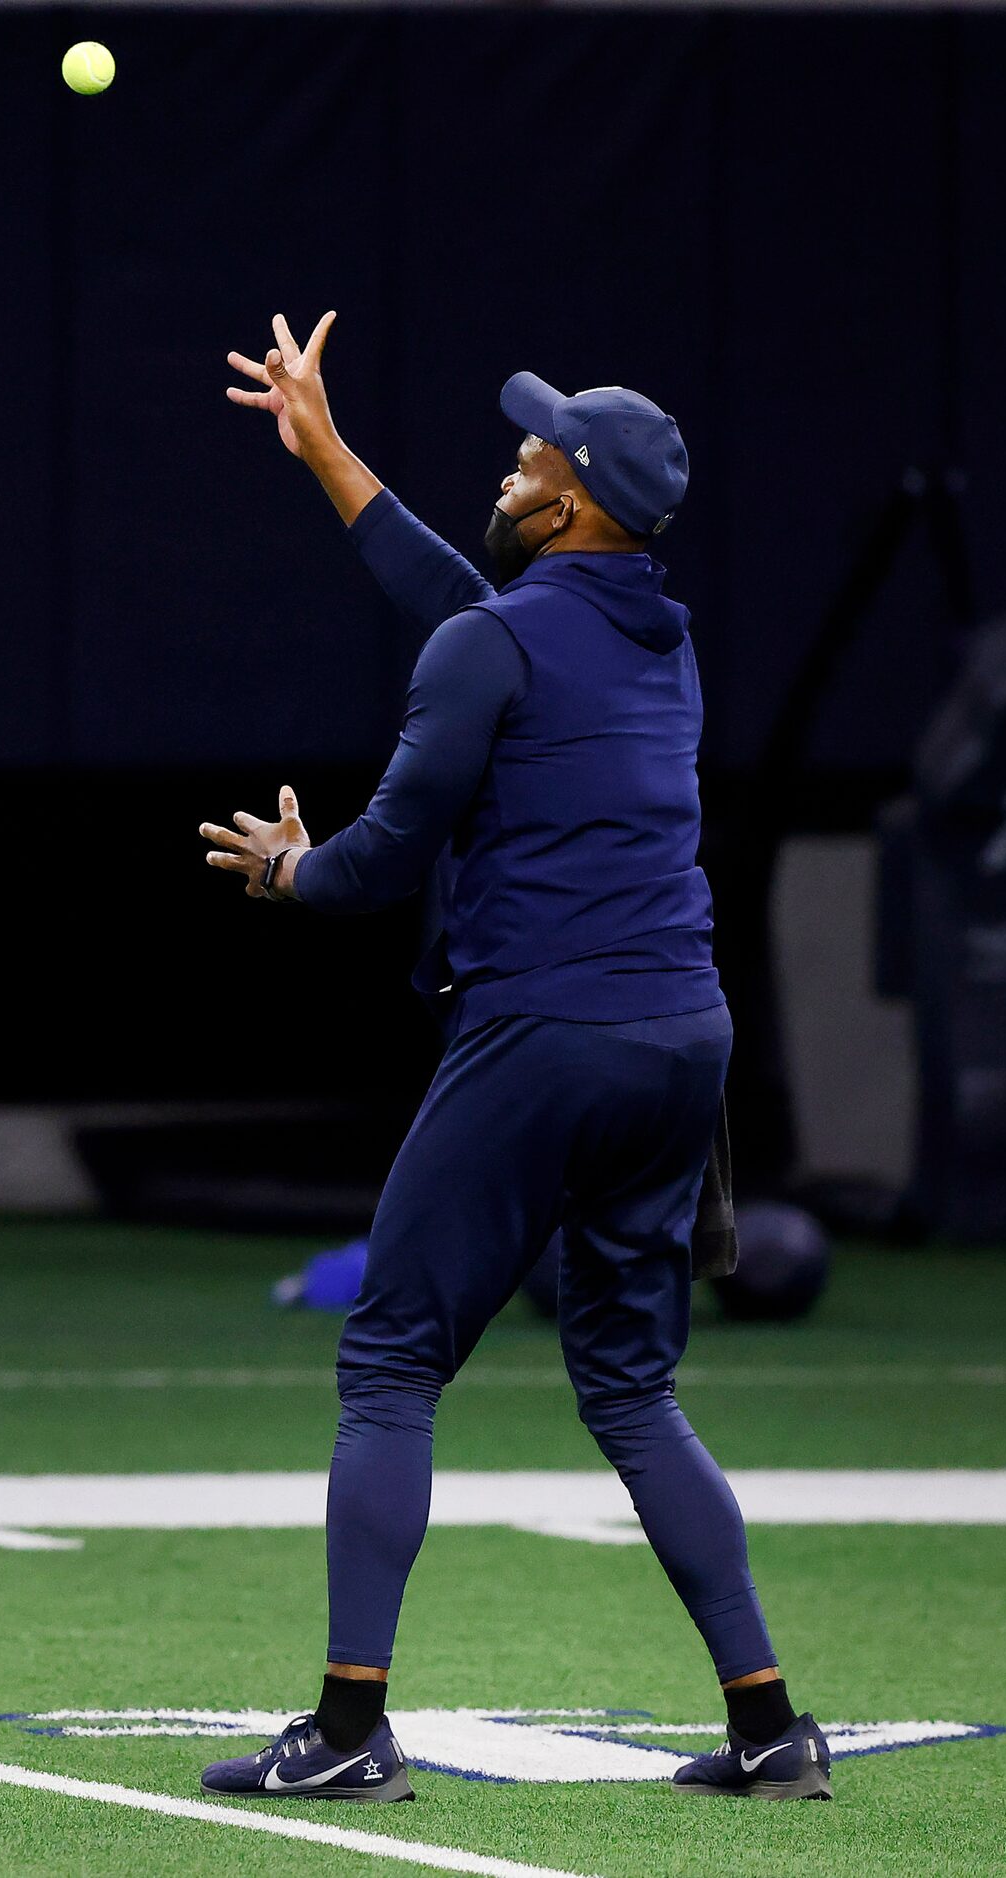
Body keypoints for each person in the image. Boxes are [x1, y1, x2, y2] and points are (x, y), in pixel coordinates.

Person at [195, 312, 825, 1803]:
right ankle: (768, 1724)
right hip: (683, 1039)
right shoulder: (655, 640)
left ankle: (348, 1731)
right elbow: (466, 606)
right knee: (630, 1386)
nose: (514, 454)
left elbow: (374, 863)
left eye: (535, 447)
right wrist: (329, 451)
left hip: (547, 1032)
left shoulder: (496, 642)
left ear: (572, 497)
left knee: (391, 1360)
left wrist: (290, 869)